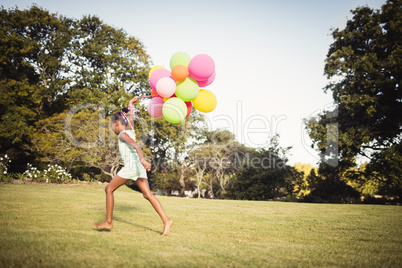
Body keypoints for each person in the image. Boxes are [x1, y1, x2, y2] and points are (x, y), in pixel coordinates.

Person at [94, 97, 173, 236]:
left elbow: (136, 146)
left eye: (112, 125)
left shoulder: (123, 135)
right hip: (138, 167)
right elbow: (131, 118)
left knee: (109, 189)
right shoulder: (130, 129)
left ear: (117, 123)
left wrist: (143, 160)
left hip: (132, 167)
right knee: (147, 195)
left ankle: (108, 222)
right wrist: (131, 104)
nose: (112, 128)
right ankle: (166, 220)